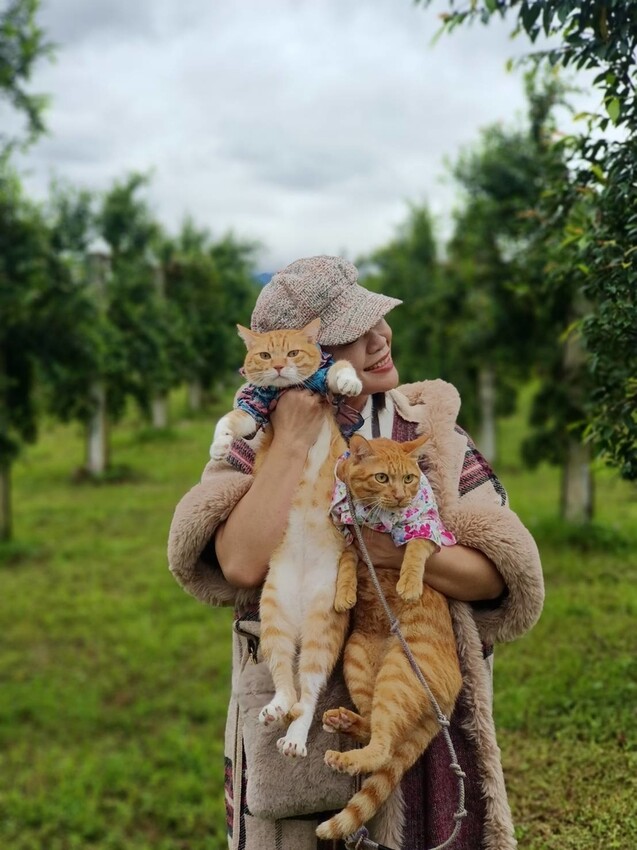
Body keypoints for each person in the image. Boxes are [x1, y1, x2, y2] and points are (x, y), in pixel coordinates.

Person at [167, 255, 544, 850]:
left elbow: (499, 575)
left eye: (378, 321)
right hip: (302, 717)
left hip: (415, 700)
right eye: (354, 332)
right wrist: (292, 438)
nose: (380, 338)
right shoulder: (252, 434)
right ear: (307, 353)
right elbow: (238, 563)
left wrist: (392, 553)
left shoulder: (431, 434)